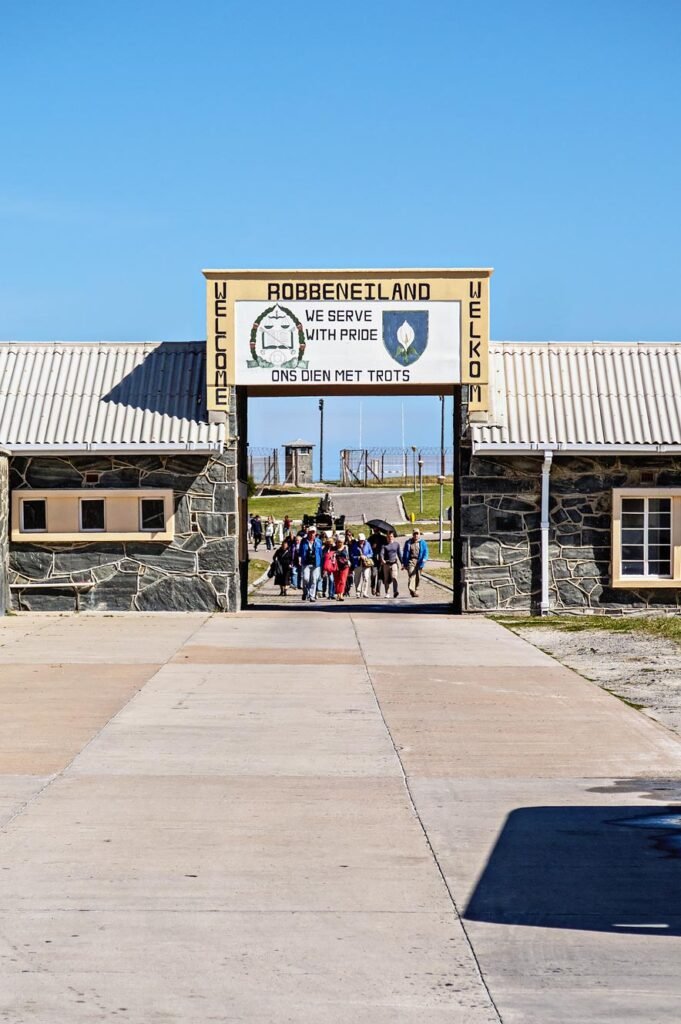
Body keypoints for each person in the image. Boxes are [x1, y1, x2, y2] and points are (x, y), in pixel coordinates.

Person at [401, 528, 429, 597]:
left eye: (417, 534)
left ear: (419, 534)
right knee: (412, 574)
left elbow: (426, 552)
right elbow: (405, 553)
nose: (416, 535)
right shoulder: (408, 542)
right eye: (414, 534)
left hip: (419, 561)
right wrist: (404, 563)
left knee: (418, 577)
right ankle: (411, 589)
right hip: (411, 561)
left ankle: (416, 589)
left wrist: (424, 559)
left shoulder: (422, 542)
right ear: (412, 534)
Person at [298, 526, 322, 602]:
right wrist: (299, 558)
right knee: (306, 579)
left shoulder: (318, 541)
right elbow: (300, 551)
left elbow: (320, 553)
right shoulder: (303, 541)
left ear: (315, 533)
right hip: (306, 563)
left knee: (314, 580)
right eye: (310, 532)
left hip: (315, 563)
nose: (312, 534)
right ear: (308, 532)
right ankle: (305, 592)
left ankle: (312, 596)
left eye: (313, 532)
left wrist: (320, 563)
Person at [379, 529, 402, 598]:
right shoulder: (384, 545)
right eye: (388, 537)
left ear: (393, 537)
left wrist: (402, 563)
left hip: (394, 563)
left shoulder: (396, 544)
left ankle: (395, 591)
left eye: (391, 536)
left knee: (394, 577)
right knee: (386, 579)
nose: (390, 538)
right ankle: (387, 593)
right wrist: (382, 559)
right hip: (386, 564)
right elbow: (381, 553)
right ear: (387, 537)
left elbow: (399, 554)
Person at [350, 532, 373, 597]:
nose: (362, 541)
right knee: (357, 578)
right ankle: (358, 591)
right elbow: (352, 555)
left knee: (366, 578)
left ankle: (365, 592)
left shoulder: (368, 544)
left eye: (363, 540)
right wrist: (358, 557)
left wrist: (366, 556)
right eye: (361, 540)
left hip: (366, 564)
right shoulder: (355, 545)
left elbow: (371, 553)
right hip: (357, 564)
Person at [368, 529, 386, 596]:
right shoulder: (371, 538)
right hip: (373, 559)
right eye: (375, 530)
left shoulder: (383, 538)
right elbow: (368, 547)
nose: (376, 531)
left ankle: (378, 590)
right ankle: (373, 586)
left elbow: (386, 546)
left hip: (381, 559)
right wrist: (373, 546)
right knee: (373, 574)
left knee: (380, 575)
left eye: (377, 530)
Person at [333, 535, 350, 601]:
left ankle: (341, 594)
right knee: (337, 580)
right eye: (339, 542)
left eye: (341, 542)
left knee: (343, 580)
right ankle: (338, 594)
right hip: (336, 566)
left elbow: (348, 556)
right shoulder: (333, 548)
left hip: (344, 566)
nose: (340, 543)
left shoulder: (346, 547)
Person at [321, 532, 336, 600]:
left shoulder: (334, 548)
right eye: (328, 542)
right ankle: (324, 592)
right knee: (324, 580)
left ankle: (331, 594)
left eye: (331, 542)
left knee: (331, 580)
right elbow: (323, 556)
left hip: (332, 566)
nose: (330, 544)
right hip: (325, 565)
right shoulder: (324, 549)